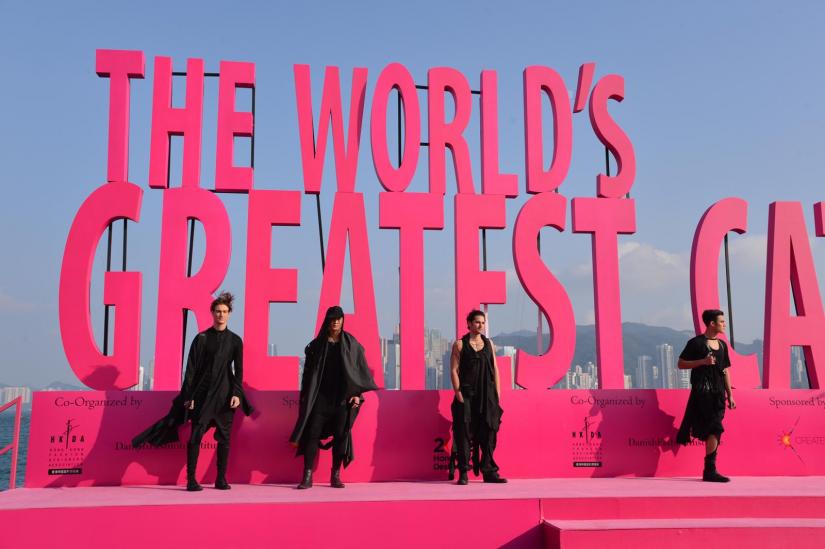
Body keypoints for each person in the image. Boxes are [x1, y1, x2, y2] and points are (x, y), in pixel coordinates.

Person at [132, 291, 252, 491]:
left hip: (224, 397)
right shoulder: (202, 338)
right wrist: (189, 397)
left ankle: (221, 479)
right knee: (195, 437)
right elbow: (191, 370)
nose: (221, 315)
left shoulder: (235, 341)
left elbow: (238, 371)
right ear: (212, 313)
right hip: (202, 396)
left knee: (225, 439)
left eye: (224, 311)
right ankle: (191, 480)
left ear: (229, 313)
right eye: (217, 311)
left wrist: (236, 395)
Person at [289, 306, 378, 489]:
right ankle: (307, 476)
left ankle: (335, 475)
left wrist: (357, 394)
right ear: (327, 321)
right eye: (332, 318)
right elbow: (307, 376)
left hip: (341, 400)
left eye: (339, 318)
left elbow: (358, 372)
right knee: (312, 435)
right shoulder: (316, 345)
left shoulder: (351, 344)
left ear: (343, 320)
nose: (336, 322)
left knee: (341, 436)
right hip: (319, 399)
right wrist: (306, 398)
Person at [676, 309, 736, 482]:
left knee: (714, 430)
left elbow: (725, 370)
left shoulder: (723, 345)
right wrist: (702, 361)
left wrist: (730, 395)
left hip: (719, 394)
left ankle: (709, 470)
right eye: (722, 321)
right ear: (712, 323)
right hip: (703, 393)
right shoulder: (696, 343)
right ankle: (710, 470)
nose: (725, 324)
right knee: (715, 428)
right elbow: (680, 364)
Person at [450, 309, 506, 485]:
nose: (480, 325)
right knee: (464, 433)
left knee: (489, 432)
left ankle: (489, 471)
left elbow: (495, 369)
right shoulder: (459, 344)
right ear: (469, 323)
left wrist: (497, 394)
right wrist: (458, 392)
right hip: (466, 394)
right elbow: (453, 370)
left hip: (487, 394)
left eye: (483, 323)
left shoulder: (489, 344)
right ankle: (464, 472)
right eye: (477, 322)